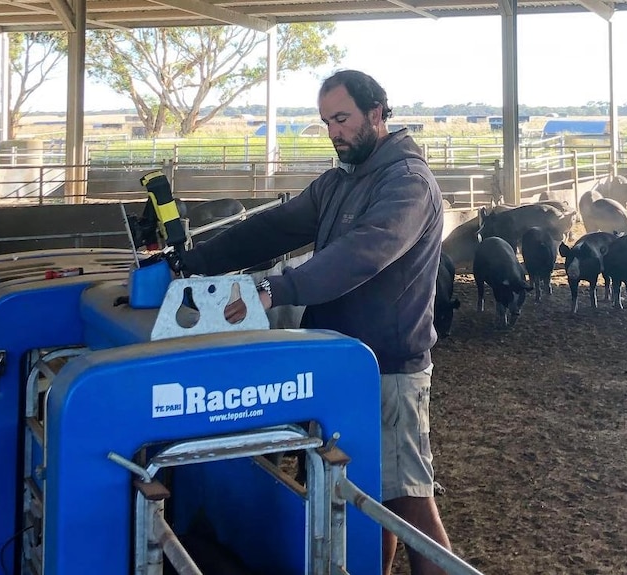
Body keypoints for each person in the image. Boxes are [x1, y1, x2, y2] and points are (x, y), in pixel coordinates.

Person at [176, 69, 452, 575]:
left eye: (342, 119)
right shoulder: (340, 181)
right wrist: (193, 262)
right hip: (339, 360)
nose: (334, 133)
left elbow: (361, 254)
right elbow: (276, 226)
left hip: (387, 366)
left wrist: (275, 289)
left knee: (407, 495)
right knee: (366, 490)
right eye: (327, 122)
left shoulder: (407, 183)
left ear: (377, 114)